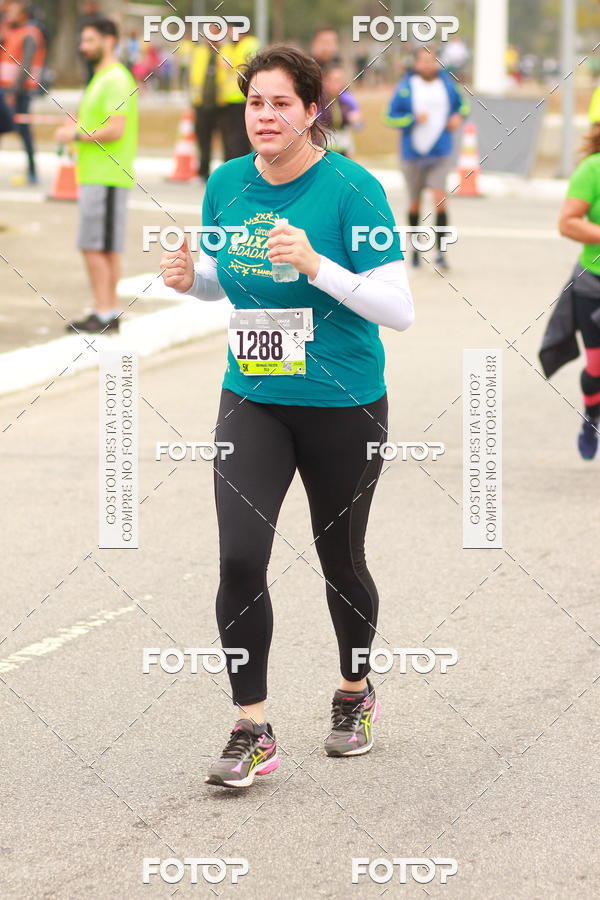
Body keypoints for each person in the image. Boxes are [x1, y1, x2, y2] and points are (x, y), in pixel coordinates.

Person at [160, 45, 415, 789]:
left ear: (312, 111)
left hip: (344, 404)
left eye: (279, 104)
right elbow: (224, 279)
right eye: (254, 104)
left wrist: (318, 266)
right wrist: (191, 281)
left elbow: (398, 310)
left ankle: (354, 692)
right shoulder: (227, 183)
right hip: (255, 398)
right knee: (240, 557)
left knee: (342, 563)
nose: (264, 118)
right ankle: (252, 727)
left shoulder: (352, 189)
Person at [54, 17, 138, 335]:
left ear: (109, 40)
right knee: (103, 247)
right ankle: (108, 310)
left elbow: (116, 128)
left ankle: (103, 314)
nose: (83, 47)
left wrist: (73, 134)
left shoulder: (115, 78)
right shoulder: (104, 77)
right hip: (99, 176)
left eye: (89, 40)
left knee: (94, 246)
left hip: (106, 176)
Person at [384, 45, 469, 270]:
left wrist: (457, 117)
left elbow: (464, 106)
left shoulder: (448, 86)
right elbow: (391, 118)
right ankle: (414, 249)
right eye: (422, 60)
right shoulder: (405, 88)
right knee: (414, 203)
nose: (427, 65)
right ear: (416, 63)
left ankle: (441, 252)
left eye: (431, 61)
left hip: (439, 152)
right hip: (412, 153)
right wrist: (411, 119)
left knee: (440, 200)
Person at [553, 124, 600, 459]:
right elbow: (568, 222)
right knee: (597, 367)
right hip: (594, 283)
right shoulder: (592, 169)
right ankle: (593, 415)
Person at [0, 0, 46, 184]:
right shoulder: (10, 31)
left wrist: (13, 91)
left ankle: (32, 170)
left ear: (23, 15)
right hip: (5, 88)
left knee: (24, 130)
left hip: (20, 91)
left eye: (13, 11)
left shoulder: (30, 34)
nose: (9, 14)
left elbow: (25, 65)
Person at [319, 63, 363, 158]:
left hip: (344, 146)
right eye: (335, 80)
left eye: (340, 81)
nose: (338, 84)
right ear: (326, 81)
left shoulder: (347, 98)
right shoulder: (319, 100)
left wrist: (356, 121)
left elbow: (359, 126)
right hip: (323, 148)